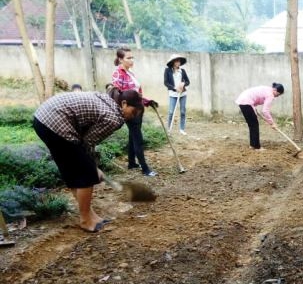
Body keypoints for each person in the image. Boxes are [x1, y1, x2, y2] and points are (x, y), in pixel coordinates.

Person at [32, 89, 145, 233]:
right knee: (86, 176)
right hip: (56, 123)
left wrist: (91, 163)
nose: (133, 117)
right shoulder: (113, 118)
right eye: (133, 112)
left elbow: (84, 140)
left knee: (74, 173)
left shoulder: (107, 100)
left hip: (43, 118)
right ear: (124, 103)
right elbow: (87, 142)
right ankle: (86, 220)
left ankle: (91, 216)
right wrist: (92, 166)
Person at [112, 47, 158, 176]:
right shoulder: (118, 73)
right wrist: (125, 109)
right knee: (138, 138)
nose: (132, 60)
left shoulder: (130, 72)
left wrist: (146, 101)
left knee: (132, 136)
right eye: (128, 58)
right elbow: (118, 94)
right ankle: (145, 169)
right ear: (121, 59)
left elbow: (136, 93)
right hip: (130, 111)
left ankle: (132, 163)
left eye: (132, 57)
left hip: (138, 109)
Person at [235, 83, 284, 151]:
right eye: (278, 94)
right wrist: (272, 123)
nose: (277, 96)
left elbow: (255, 96)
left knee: (252, 125)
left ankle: (253, 145)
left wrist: (254, 108)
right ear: (275, 90)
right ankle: (257, 147)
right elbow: (265, 111)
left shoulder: (267, 89)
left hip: (243, 101)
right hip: (246, 102)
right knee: (254, 125)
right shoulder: (270, 95)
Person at [164, 54, 190, 135]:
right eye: (176, 61)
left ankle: (182, 129)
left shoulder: (182, 71)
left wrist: (183, 84)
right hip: (173, 94)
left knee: (182, 111)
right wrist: (175, 88)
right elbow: (166, 83)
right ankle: (169, 129)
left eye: (179, 61)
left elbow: (188, 82)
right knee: (171, 112)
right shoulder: (167, 71)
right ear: (173, 62)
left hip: (182, 94)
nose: (178, 62)